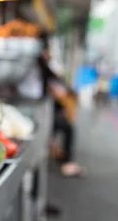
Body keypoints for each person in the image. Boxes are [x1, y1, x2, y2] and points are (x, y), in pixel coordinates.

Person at [37, 34, 84, 177]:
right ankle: (66, 162)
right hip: (39, 111)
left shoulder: (44, 66)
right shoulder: (40, 66)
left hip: (44, 109)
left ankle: (61, 156)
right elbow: (55, 90)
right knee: (68, 128)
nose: (49, 53)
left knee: (66, 127)